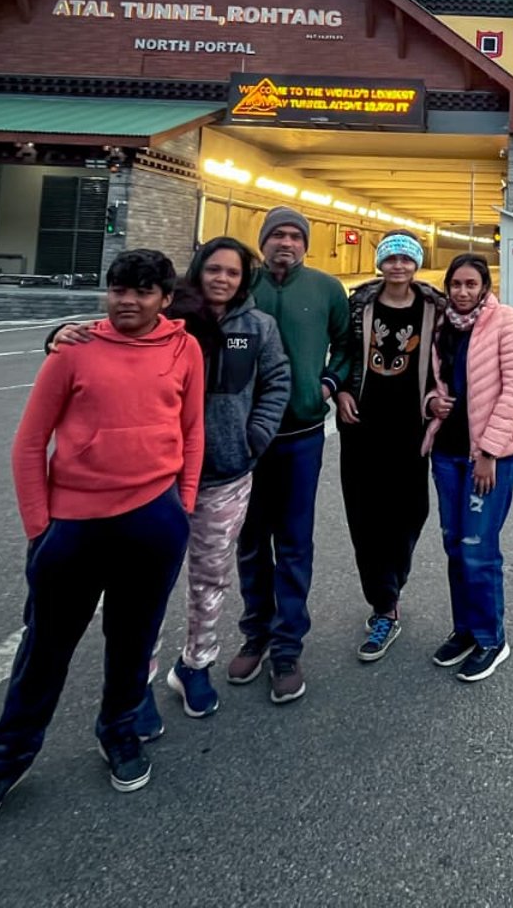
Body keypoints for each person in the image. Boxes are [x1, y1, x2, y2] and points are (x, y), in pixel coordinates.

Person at [0, 249, 203, 842]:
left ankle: (118, 733)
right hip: (74, 525)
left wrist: (182, 505)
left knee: (132, 640)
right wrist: (40, 528)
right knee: (45, 649)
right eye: (118, 290)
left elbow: (192, 430)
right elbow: (29, 442)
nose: (127, 301)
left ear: (165, 299)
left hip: (154, 519)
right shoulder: (74, 350)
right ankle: (4, 764)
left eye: (142, 292)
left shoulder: (184, 349)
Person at [43, 237, 293, 725]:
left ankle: (196, 664)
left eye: (233, 272)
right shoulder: (168, 318)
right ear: (198, 271)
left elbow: (276, 381)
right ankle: (136, 680)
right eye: (214, 269)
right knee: (144, 585)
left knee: (210, 578)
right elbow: (108, 339)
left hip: (225, 474)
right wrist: (59, 333)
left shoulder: (259, 327)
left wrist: (256, 435)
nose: (222, 279)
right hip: (158, 478)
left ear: (245, 279)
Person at [228, 206, 352, 705]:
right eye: (277, 235)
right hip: (243, 440)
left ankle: (287, 647)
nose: (286, 243)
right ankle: (255, 633)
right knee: (251, 540)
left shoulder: (326, 289)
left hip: (301, 435)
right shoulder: (241, 285)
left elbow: (346, 345)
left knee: (295, 542)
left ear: (305, 244)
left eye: (295, 236)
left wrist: (328, 383)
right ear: (262, 241)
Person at [336, 233, 445, 662]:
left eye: (406, 258)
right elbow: (343, 351)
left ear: (416, 264)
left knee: (410, 511)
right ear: (380, 263)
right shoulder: (360, 304)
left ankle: (391, 583)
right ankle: (384, 604)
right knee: (365, 516)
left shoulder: (434, 307)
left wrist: (436, 398)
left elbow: (446, 360)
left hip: (410, 427)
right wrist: (342, 389)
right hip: (362, 426)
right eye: (391, 258)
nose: (398, 265)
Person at [422, 254, 513, 684]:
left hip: (489, 457)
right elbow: (430, 383)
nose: (463, 292)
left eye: (471, 284)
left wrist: (488, 452)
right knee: (454, 545)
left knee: (477, 549)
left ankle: (491, 638)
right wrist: (431, 402)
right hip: (446, 454)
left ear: (485, 287)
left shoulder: (506, 321)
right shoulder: (442, 325)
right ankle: (465, 629)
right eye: (456, 284)